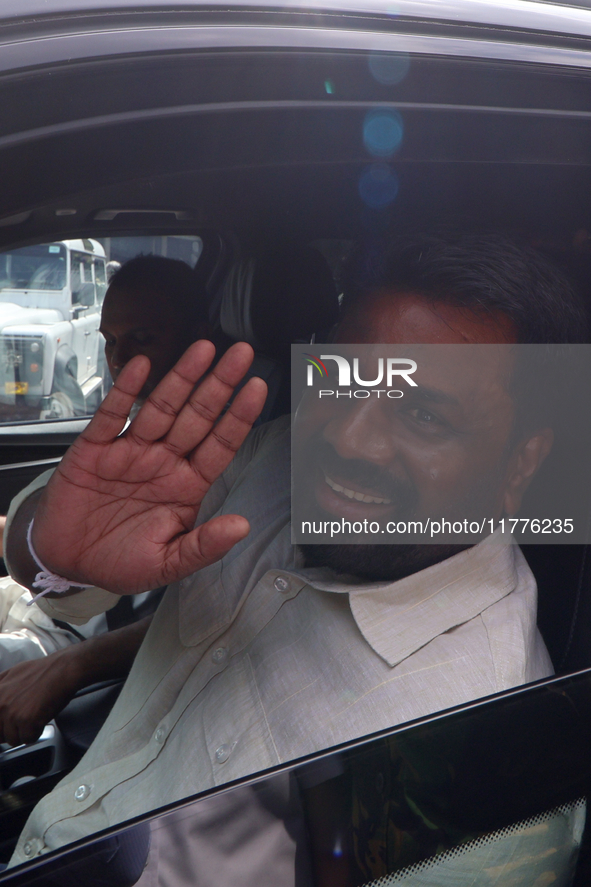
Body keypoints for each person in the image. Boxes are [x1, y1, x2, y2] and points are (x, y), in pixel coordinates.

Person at [2, 234, 587, 875]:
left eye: (424, 416)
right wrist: (47, 546)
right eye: (340, 377)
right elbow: (72, 569)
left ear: (522, 467)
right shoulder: (268, 454)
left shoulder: (481, 761)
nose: (346, 436)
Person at [0, 253, 208, 745]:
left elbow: (212, 611)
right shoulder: (138, 421)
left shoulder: (226, 450)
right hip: (31, 606)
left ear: (199, 332)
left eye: (144, 338)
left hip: (69, 638)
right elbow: (45, 544)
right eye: (111, 341)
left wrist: (74, 666)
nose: (117, 360)